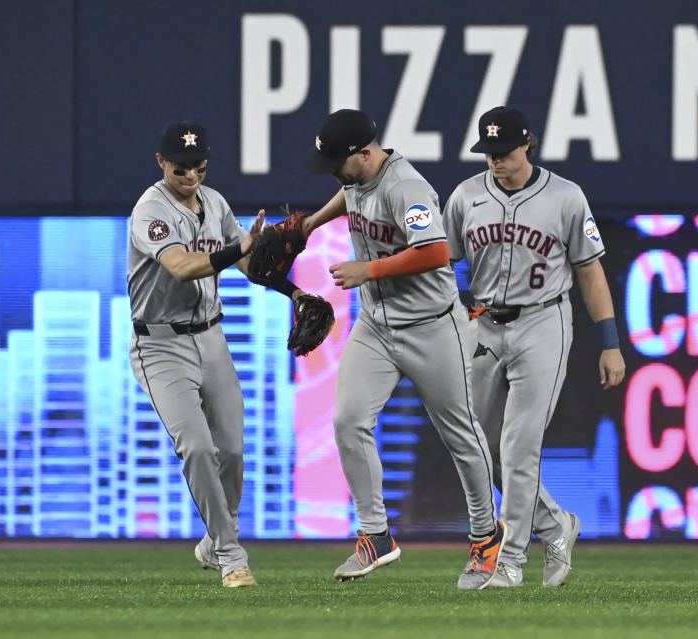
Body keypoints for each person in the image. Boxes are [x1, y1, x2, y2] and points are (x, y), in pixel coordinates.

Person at [303, 109, 505, 590]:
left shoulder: (406, 187)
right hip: (376, 325)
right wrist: (311, 223)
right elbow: (351, 194)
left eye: (339, 161)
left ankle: (485, 536)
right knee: (348, 420)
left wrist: (366, 271)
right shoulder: (356, 175)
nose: (334, 170)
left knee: (460, 435)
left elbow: (435, 251)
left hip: (434, 328)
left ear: (366, 153)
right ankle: (376, 535)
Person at [443, 106, 626, 587]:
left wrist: (610, 343)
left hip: (543, 321)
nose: (495, 161)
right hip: (483, 323)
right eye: (488, 152)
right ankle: (555, 524)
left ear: (529, 144)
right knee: (481, 448)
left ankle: (510, 560)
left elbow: (590, 271)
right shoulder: (465, 196)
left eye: (504, 152)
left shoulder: (566, 197)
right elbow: (440, 265)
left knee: (519, 445)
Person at [127, 121, 309, 588]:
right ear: (161, 162)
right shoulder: (150, 209)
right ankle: (231, 556)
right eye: (181, 167)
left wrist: (293, 290)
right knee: (198, 447)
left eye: (198, 167)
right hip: (161, 344)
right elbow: (182, 266)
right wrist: (238, 249)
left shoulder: (216, 204)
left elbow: (249, 264)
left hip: (211, 337)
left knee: (230, 449)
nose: (190, 175)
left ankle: (214, 541)